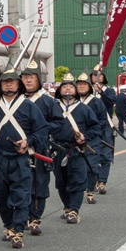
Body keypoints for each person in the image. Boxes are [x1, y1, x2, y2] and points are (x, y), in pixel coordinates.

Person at [0, 67, 47, 249]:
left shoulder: (29, 106)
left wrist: (28, 141)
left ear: (18, 85)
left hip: (20, 159)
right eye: (5, 81)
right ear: (0, 85)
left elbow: (42, 130)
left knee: (21, 196)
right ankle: (10, 225)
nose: (8, 84)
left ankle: (18, 231)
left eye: (12, 81)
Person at [20, 60, 65, 236]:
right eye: (25, 77)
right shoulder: (14, 101)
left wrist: (41, 130)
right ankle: (19, 219)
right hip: (18, 149)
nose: (28, 80)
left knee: (39, 185)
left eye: (32, 77)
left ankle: (35, 218)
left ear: (38, 79)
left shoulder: (47, 101)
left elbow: (59, 122)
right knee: (18, 184)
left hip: (39, 148)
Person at [52, 73, 100, 224]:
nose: (67, 89)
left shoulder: (84, 109)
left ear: (76, 91)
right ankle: (67, 207)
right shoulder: (53, 107)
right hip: (57, 149)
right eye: (64, 86)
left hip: (77, 150)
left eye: (70, 87)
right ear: (60, 90)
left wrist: (85, 137)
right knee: (61, 181)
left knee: (78, 180)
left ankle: (74, 210)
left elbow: (96, 127)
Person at [76, 73, 112, 202]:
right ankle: (78, 192)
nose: (81, 87)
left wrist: (93, 134)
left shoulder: (96, 101)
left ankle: (90, 191)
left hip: (92, 139)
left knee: (91, 166)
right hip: (74, 140)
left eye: (84, 84)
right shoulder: (72, 102)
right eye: (79, 84)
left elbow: (102, 121)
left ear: (89, 86)